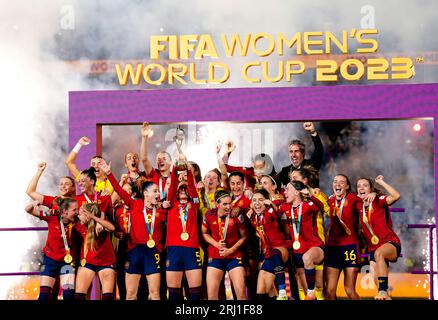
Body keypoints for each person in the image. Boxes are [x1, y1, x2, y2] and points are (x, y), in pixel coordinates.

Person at [101, 160, 166, 300]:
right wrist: (108, 173)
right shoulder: (135, 204)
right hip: (134, 252)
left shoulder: (161, 210)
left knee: (155, 294)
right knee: (130, 294)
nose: (158, 194)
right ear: (145, 193)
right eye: (155, 191)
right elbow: (119, 191)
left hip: (152, 253)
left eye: (158, 191)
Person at [325, 174, 374, 300]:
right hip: (333, 248)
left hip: (350, 247)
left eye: (342, 182)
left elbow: (365, 206)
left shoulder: (354, 199)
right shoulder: (329, 201)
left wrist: (373, 196)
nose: (338, 184)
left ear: (347, 186)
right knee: (330, 292)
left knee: (349, 289)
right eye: (335, 181)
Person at [163, 157, 203, 301]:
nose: (183, 190)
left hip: (192, 249)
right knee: (174, 294)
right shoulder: (171, 204)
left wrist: (187, 170)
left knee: (195, 294)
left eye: (185, 189)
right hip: (174, 250)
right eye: (180, 189)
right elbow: (173, 184)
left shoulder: (194, 205)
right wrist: (175, 168)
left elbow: (192, 188)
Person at [356, 175, 401, 300]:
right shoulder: (357, 205)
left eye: (365, 185)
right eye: (359, 186)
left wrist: (381, 182)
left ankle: (383, 292)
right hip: (372, 247)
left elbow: (396, 196)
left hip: (390, 243)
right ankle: (384, 294)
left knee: (379, 253)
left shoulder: (378, 200)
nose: (361, 188)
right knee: (377, 281)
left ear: (371, 189)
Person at [24, 198, 78, 300]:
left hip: (67, 263)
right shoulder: (52, 217)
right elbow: (28, 210)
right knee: (44, 296)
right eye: (74, 210)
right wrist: (34, 203)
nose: (77, 212)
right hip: (50, 261)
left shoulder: (78, 221)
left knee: (68, 295)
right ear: (65, 211)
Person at [281, 181, 325, 300]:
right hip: (297, 252)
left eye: (288, 189)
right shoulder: (285, 207)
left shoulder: (308, 205)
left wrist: (310, 196)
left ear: (296, 192)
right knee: (306, 292)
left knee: (307, 258)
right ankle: (310, 292)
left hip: (314, 247)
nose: (285, 192)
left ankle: (311, 291)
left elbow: (321, 206)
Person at [289, 166, 328, 300]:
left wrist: (311, 195)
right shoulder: (290, 198)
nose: (291, 181)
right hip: (299, 244)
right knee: (302, 283)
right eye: (290, 179)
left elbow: (328, 210)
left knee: (318, 285)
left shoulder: (317, 195)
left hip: (315, 243)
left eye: (295, 178)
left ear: (304, 181)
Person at [202, 190, 248, 300]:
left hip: (234, 256)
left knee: (241, 294)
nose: (228, 207)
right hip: (216, 256)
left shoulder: (236, 215)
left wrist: (230, 250)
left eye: (230, 203)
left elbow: (244, 237)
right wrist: (216, 244)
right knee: (212, 295)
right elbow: (204, 233)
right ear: (217, 204)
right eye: (225, 204)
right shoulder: (209, 214)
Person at [246, 189, 291, 300]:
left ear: (266, 201)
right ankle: (278, 294)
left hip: (281, 249)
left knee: (274, 252)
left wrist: (272, 205)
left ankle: (282, 290)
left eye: (261, 200)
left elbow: (280, 215)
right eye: (254, 200)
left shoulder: (270, 212)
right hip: (268, 253)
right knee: (261, 289)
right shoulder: (253, 217)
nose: (257, 203)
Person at [74, 203, 117, 300]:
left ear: (87, 215)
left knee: (107, 296)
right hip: (88, 261)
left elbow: (112, 228)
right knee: (79, 296)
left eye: (80, 214)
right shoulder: (80, 225)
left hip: (106, 262)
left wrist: (94, 218)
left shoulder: (100, 226)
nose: (78, 216)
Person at [277, 122, 324, 187]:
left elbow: (319, 150)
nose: (293, 155)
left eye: (296, 151)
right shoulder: (285, 171)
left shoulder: (310, 165)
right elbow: (273, 182)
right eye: (291, 152)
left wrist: (313, 132)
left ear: (303, 153)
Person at [140, 122, 172, 201]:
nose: (161, 160)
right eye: (158, 159)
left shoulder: (175, 178)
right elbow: (144, 159)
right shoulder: (154, 175)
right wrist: (144, 137)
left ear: (170, 162)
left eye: (164, 158)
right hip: (156, 211)